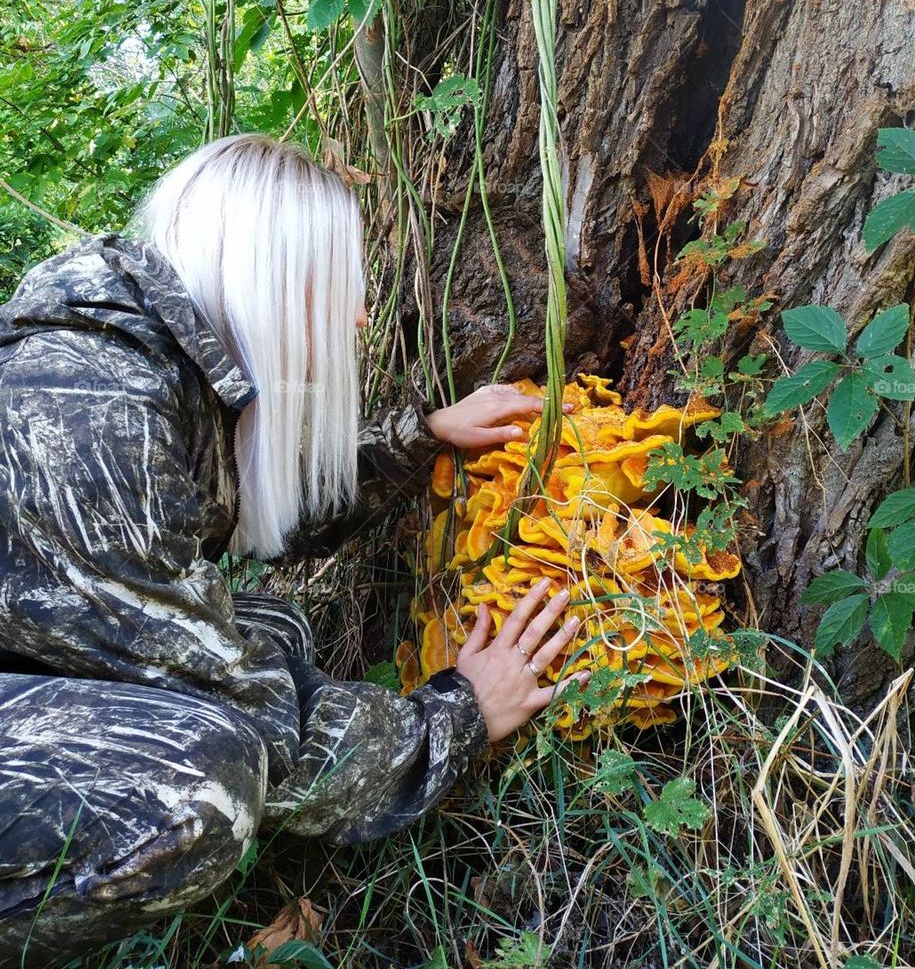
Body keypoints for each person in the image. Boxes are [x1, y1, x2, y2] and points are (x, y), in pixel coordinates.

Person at [0, 134, 587, 968]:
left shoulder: (157, 359)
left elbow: (252, 509)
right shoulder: (89, 402)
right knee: (201, 783)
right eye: (343, 282)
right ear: (273, 275)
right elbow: (230, 698)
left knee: (274, 627)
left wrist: (420, 438)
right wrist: (457, 714)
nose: (360, 315)